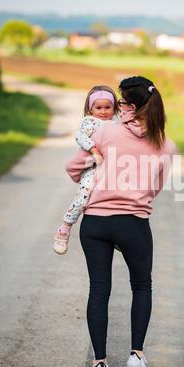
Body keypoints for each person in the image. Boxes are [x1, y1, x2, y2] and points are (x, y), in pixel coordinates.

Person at [65, 76, 176, 367]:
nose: (119, 107)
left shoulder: (105, 131)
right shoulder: (166, 144)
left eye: (122, 103)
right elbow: (155, 188)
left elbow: (73, 167)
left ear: (130, 106)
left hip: (96, 223)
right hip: (134, 224)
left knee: (99, 289)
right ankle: (136, 356)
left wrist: (98, 176)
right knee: (141, 286)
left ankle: (99, 366)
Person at [53, 85, 120, 255]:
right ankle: (65, 228)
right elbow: (79, 136)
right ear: (90, 109)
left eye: (107, 107)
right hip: (92, 169)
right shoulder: (91, 122)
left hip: (110, 170)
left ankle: (115, 237)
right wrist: (94, 150)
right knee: (84, 197)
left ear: (114, 108)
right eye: (98, 108)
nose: (103, 112)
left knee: (114, 199)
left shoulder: (117, 123)